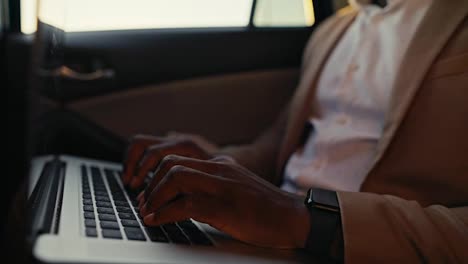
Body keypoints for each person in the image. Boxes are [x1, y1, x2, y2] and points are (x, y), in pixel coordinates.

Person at [122, 0, 468, 262]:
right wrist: (211, 162)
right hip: (267, 234)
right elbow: (276, 147)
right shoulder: (332, 32)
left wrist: (309, 220)